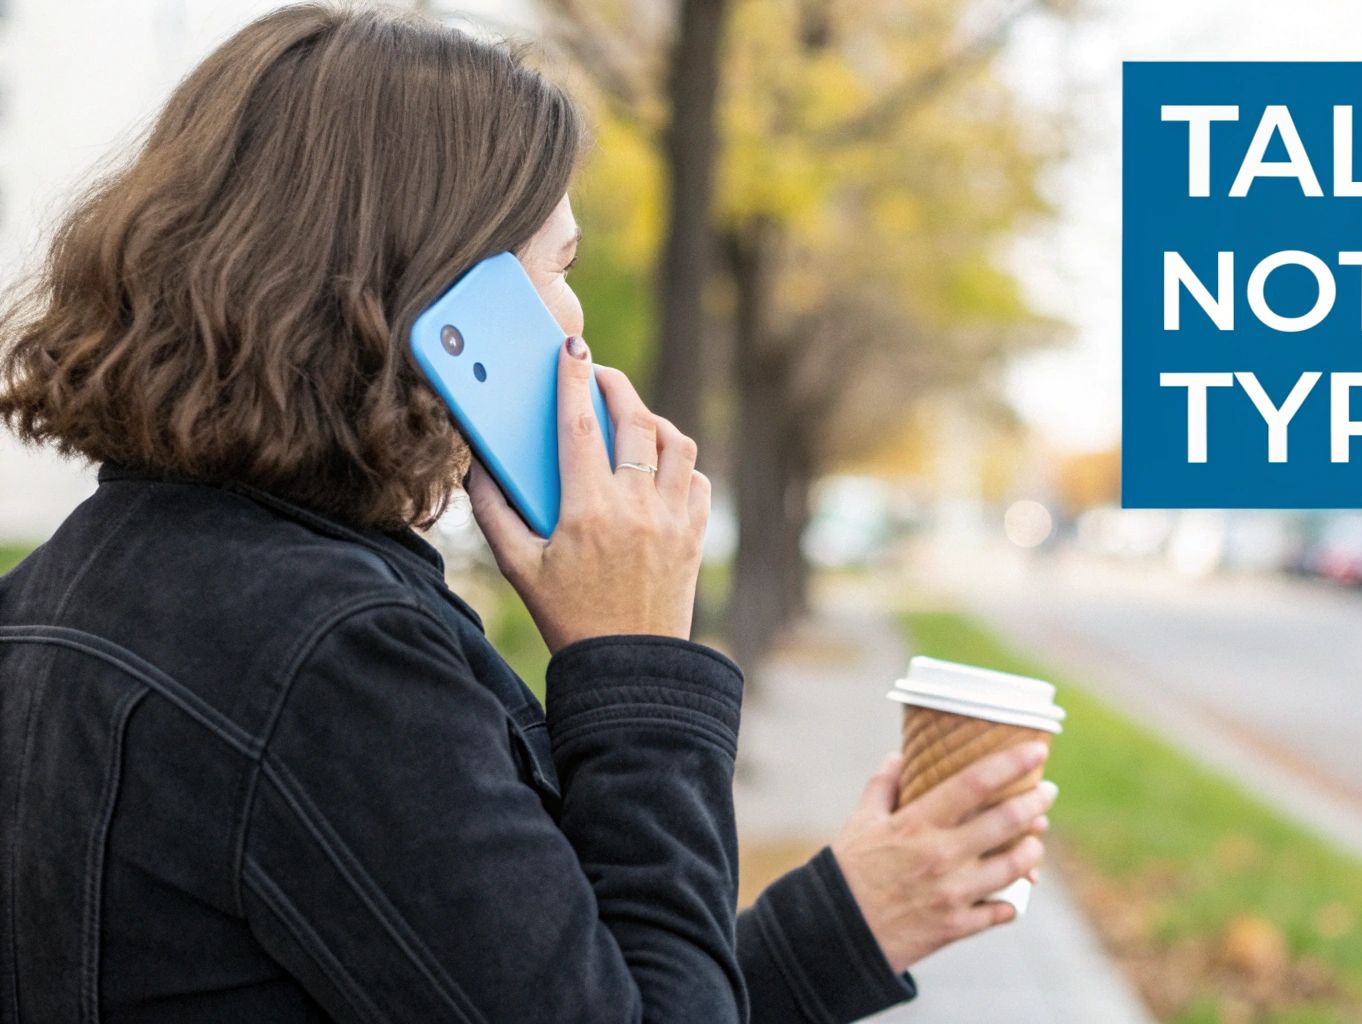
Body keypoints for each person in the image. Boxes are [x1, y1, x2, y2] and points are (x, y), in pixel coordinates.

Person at [0, 5, 1055, 1022]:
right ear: (438, 293)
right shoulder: (335, 661)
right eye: (559, 265)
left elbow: (535, 980)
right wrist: (634, 660)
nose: (575, 316)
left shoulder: (66, 589)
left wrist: (847, 924)